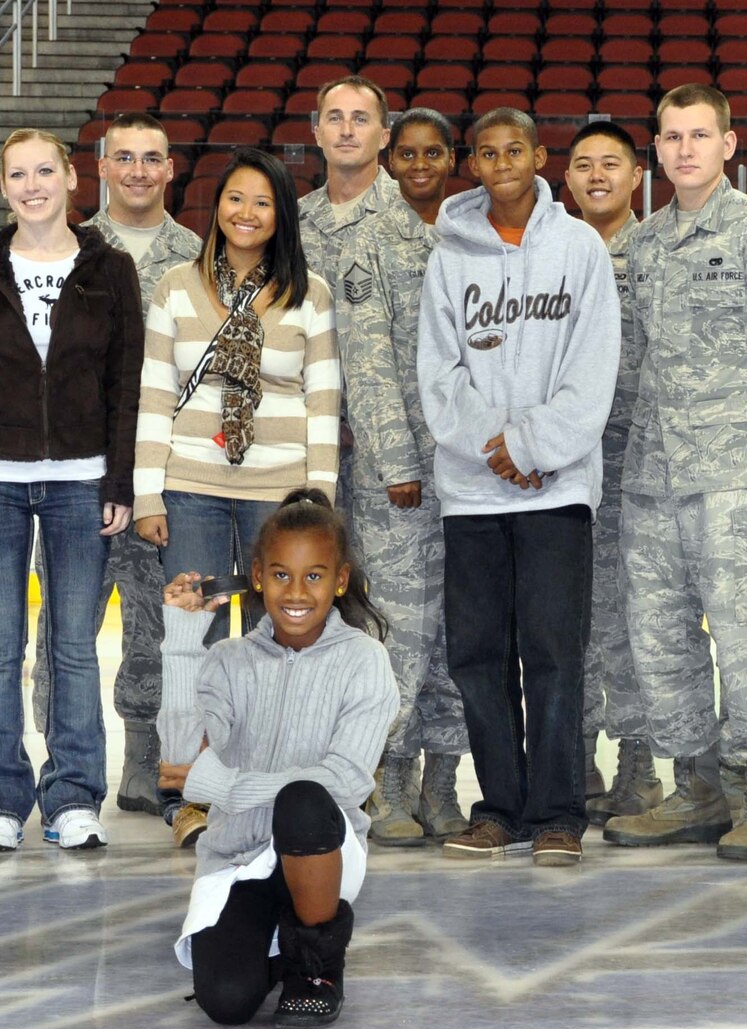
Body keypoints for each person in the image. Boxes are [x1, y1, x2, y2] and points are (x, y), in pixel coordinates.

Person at [601, 84, 747, 861]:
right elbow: (625, 366)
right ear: (655, 151)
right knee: (659, 640)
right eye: (671, 137)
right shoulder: (644, 245)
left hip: (736, 477)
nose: (685, 149)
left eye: (701, 135)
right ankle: (697, 787)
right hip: (652, 477)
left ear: (730, 146)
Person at [0, 129, 144, 852]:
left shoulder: (109, 268)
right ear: (3, 185)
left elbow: (125, 384)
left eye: (43, 170)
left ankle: (75, 795)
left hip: (81, 482)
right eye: (16, 173)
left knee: (74, 644)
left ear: (71, 178)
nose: (31, 184)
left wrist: (120, 478)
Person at [418, 108, 619, 865]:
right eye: (487, 152)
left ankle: (559, 810)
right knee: (477, 657)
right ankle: (500, 806)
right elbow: (438, 372)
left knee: (554, 654)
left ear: (541, 156)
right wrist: (491, 446)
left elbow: (592, 368)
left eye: (516, 149)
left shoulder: (579, 250)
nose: (502, 162)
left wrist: (532, 445)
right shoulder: (447, 255)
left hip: (556, 490)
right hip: (472, 492)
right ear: (473, 164)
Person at [134, 148, 340, 845]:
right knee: (191, 637)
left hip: (279, 495)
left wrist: (319, 503)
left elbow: (323, 401)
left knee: (273, 642)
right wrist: (147, 494)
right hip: (190, 485)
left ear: (280, 215)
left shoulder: (309, 294)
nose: (246, 213)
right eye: (235, 199)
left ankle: (267, 783)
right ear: (215, 207)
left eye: (262, 202)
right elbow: (156, 394)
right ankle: (189, 791)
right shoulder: (174, 287)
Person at [301, 76, 471, 841]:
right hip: (361, 463)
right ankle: (387, 771)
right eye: (333, 117)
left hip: (458, 462)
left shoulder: (451, 230)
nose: (346, 129)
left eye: (360, 118)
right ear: (316, 129)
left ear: (383, 135)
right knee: (394, 624)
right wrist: (392, 455)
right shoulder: (298, 222)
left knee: (455, 622)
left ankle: (443, 778)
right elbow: (362, 363)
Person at [161, 489, 394, 1029]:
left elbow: (346, 780)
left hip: (321, 851)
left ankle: (316, 965)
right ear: (258, 575)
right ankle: (277, 945)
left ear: (340, 580)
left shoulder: (364, 660)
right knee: (226, 1002)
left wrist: (224, 785)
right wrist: (181, 636)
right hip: (238, 858)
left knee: (305, 800)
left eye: (314, 576)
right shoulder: (228, 659)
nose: (297, 592)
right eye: (282, 575)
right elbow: (178, 757)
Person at [28, 111, 203, 822]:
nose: (137, 170)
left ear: (171, 168)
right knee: (64, 629)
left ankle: (141, 762)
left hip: (163, 476)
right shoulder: (63, 248)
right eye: (123, 157)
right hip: (75, 472)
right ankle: (64, 766)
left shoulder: (200, 255)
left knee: (155, 629)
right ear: (99, 168)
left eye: (151, 157)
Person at [564, 118, 663, 825]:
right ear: (565, 178)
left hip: (643, 461)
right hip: (564, 463)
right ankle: (575, 755)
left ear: (637, 176)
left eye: (611, 164)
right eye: (583, 164)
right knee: (565, 619)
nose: (597, 175)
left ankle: (637, 759)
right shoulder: (549, 253)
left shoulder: (660, 249)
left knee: (639, 618)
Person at [385, 108, 457, 229]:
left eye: (432, 153)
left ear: (451, 159)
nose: (420, 165)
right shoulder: (366, 235)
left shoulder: (474, 232)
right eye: (407, 154)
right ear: (391, 159)